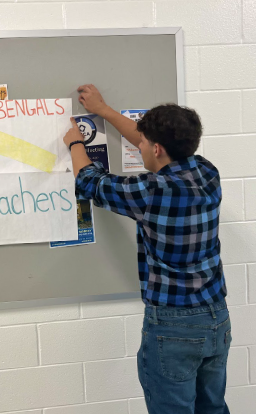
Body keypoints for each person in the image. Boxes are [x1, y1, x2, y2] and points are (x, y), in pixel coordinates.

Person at [64, 84, 231, 414]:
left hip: (174, 326)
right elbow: (146, 140)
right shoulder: (206, 171)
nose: (136, 145)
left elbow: (89, 181)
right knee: (213, 408)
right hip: (216, 317)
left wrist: (75, 143)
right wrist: (105, 110)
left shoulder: (151, 191)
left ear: (156, 149)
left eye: (142, 143)